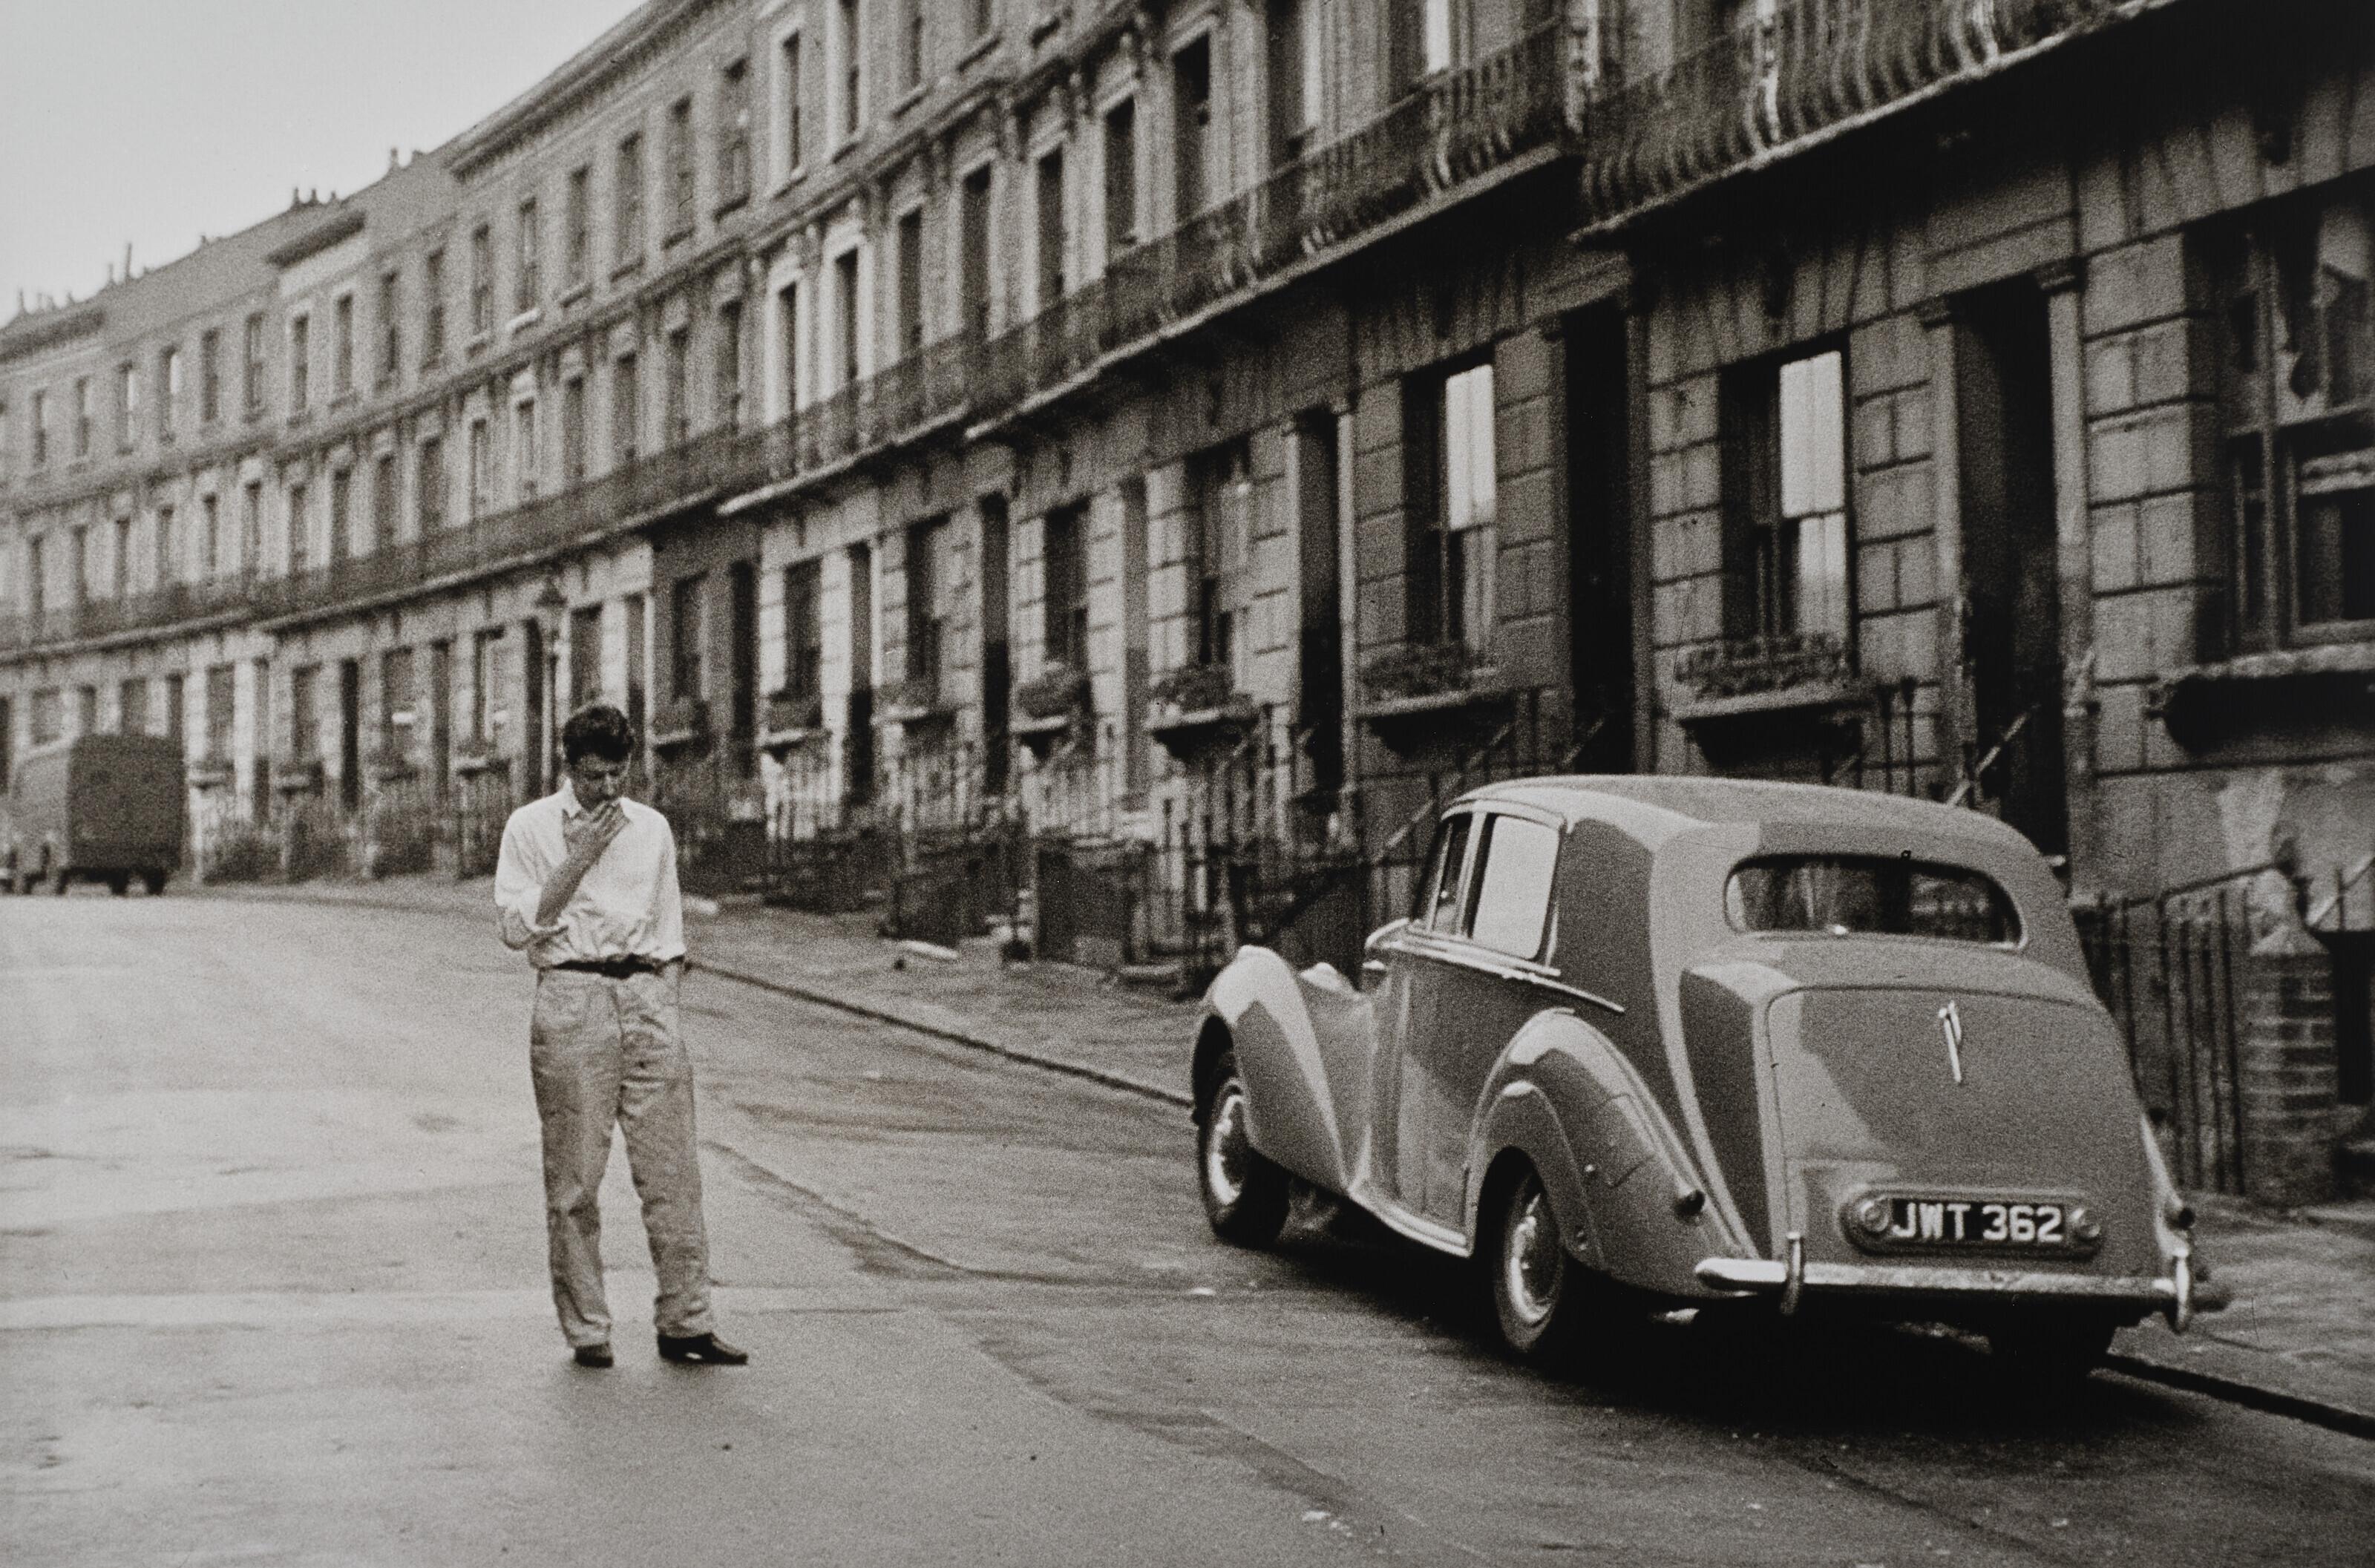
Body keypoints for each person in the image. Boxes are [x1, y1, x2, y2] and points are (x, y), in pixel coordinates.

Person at [494, 703, 747, 1369]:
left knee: (674, 1172)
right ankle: (588, 1329)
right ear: (570, 768)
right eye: (595, 775)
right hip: (572, 994)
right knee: (576, 1176)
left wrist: (663, 988)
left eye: (618, 774)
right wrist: (575, 861)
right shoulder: (529, 827)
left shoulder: (652, 829)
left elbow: (668, 923)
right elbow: (518, 927)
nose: (608, 789)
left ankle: (687, 1320)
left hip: (645, 994)